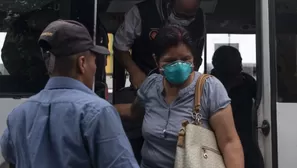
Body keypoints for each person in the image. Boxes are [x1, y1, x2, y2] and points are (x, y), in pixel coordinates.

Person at [0, 20, 139, 168]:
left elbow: (10, 156)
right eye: (95, 61)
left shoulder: (19, 114)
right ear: (82, 63)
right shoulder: (98, 112)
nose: (96, 67)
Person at [115, 24, 244, 168]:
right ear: (156, 60)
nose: (178, 65)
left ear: (193, 59)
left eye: (185, 59)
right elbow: (133, 112)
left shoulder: (210, 88)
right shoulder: (151, 86)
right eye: (170, 61)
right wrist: (103, 107)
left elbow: (229, 143)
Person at [113, 0, 205, 90]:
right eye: (181, 15)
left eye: (191, 16)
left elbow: (197, 54)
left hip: (184, 84)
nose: (185, 20)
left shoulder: (200, 18)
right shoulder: (141, 12)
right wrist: (134, 72)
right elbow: (120, 47)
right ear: (169, 3)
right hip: (145, 81)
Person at [211, 46, 264, 168]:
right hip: (216, 142)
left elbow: (262, 102)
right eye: (237, 61)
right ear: (220, 64)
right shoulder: (209, 85)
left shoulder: (247, 81)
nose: (241, 65)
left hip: (245, 141)